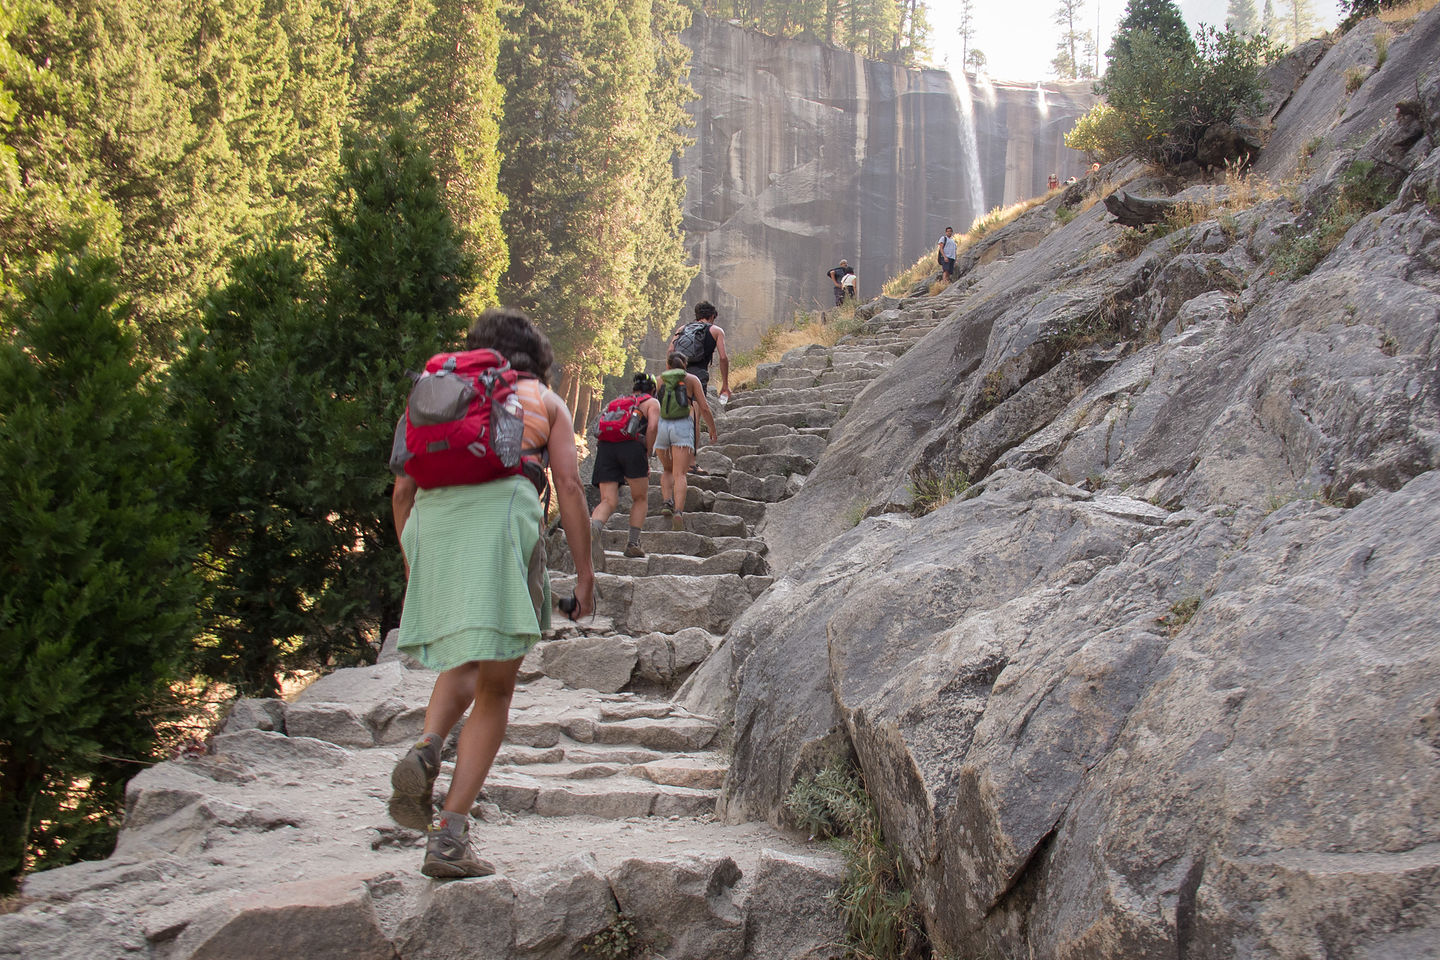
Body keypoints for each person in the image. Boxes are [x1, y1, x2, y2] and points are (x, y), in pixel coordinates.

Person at [387, 307, 595, 880]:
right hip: (503, 522)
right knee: (497, 689)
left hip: (436, 528)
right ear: (538, 357)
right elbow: (571, 487)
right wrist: (584, 577)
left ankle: (429, 745)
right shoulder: (545, 403)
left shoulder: (442, 394)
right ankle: (449, 837)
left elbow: (403, 488)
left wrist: (417, 566)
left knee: (461, 663)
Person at [589, 373, 660, 565]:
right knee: (640, 497)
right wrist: (648, 453)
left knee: (608, 500)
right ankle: (632, 544)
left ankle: (594, 527)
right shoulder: (651, 403)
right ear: (653, 389)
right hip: (633, 447)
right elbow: (652, 427)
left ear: (634, 388)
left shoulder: (617, 401)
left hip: (606, 448)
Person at [654, 351, 717, 531]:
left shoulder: (658, 380)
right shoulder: (692, 380)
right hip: (682, 426)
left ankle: (667, 502)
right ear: (684, 366)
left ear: (667, 365)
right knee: (679, 474)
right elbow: (703, 407)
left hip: (662, 427)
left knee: (666, 470)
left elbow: (651, 406)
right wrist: (712, 428)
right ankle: (678, 513)